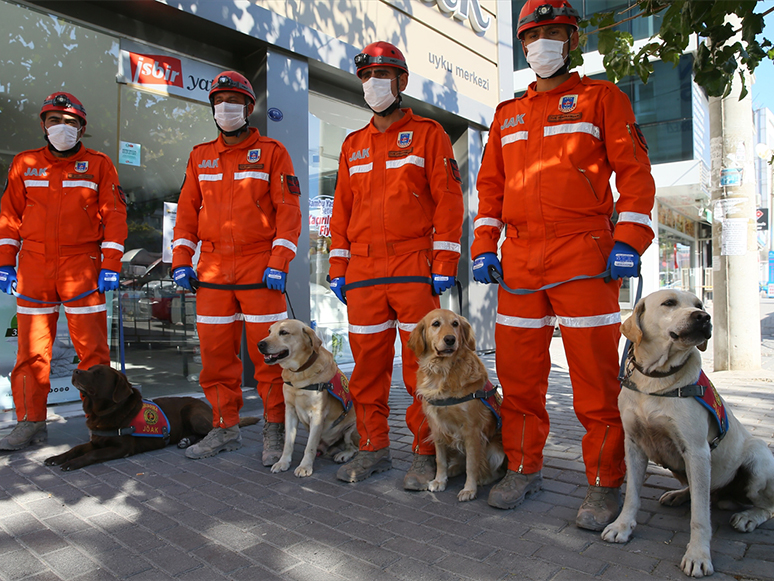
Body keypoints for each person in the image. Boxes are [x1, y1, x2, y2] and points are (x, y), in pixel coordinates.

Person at [471, 0, 655, 531]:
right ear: (523, 46)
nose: (542, 44)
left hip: (585, 257)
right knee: (520, 376)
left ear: (571, 41)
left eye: (554, 33)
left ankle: (603, 482)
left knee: (594, 380)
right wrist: (484, 244)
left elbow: (635, 175)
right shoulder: (507, 115)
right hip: (521, 262)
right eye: (533, 35)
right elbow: (490, 190)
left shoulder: (603, 98)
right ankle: (524, 467)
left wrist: (629, 238)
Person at [329, 42, 465, 487]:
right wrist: (337, 268)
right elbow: (341, 214)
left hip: (413, 268)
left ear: (402, 82)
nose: (374, 84)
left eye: (383, 75)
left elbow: (448, 201)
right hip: (364, 275)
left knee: (422, 370)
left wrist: (445, 260)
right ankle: (372, 448)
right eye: (367, 76)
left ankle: (426, 454)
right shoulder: (352, 145)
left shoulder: (430, 134)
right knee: (367, 370)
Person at [172, 71, 302, 462]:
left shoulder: (273, 151)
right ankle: (223, 428)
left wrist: (280, 261)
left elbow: (288, 212)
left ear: (248, 107)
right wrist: (181, 260)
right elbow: (185, 215)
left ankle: (275, 431)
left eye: (233, 101)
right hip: (211, 273)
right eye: (218, 101)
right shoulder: (200, 156)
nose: (225, 108)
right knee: (215, 359)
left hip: (259, 269)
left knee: (270, 358)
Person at [0, 92, 127, 451]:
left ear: (82, 128)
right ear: (44, 125)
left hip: (82, 266)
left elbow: (115, 217)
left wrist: (111, 265)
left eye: (70, 123)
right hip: (35, 267)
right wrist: (5, 262)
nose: (62, 128)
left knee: (93, 354)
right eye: (55, 120)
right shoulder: (25, 163)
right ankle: (30, 423)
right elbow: (9, 217)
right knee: (30, 352)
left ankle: (100, 425)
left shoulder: (99, 164)